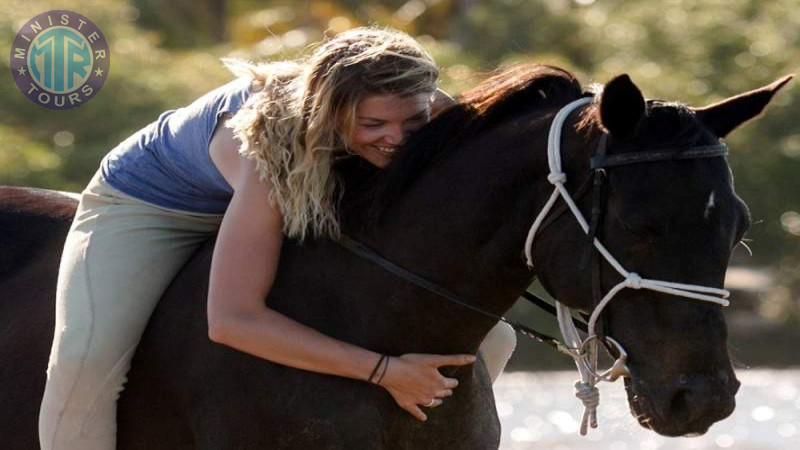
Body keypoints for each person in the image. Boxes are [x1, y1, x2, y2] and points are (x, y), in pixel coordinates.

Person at [38, 27, 516, 450]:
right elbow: (231, 320)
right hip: (152, 203)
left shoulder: (432, 112)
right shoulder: (270, 149)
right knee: (86, 359)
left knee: (496, 338)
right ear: (329, 112)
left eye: (412, 122)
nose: (398, 138)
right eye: (372, 125)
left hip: (296, 199)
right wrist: (383, 371)